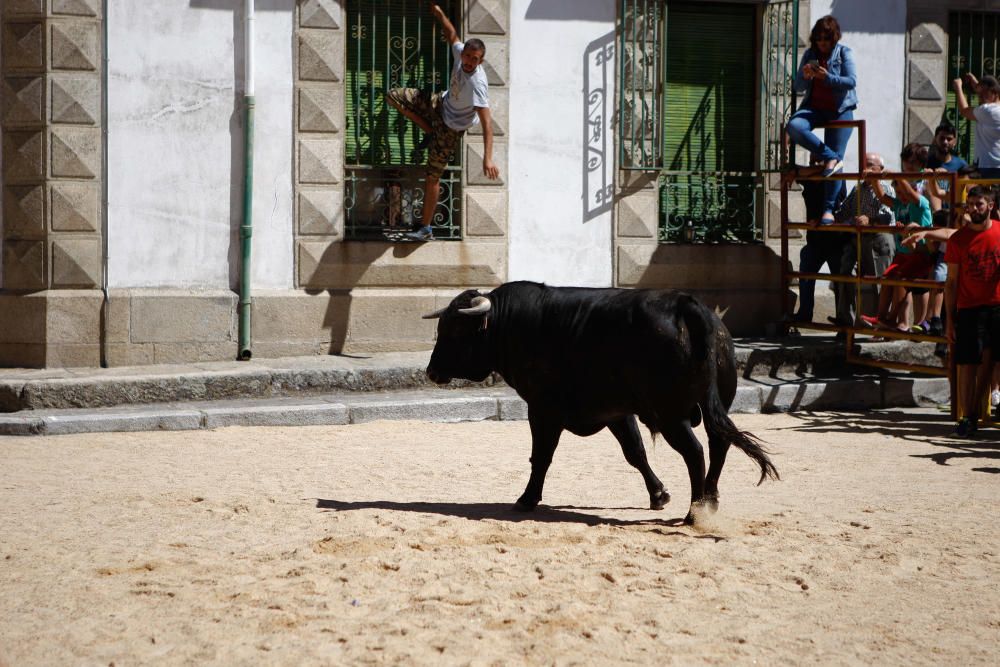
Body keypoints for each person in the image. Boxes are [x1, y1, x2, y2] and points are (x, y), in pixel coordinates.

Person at [386, 3, 499, 241]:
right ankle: (429, 130)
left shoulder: (479, 85)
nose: (468, 62)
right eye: (467, 56)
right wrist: (439, 13)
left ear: (481, 61)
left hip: (451, 129)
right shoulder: (460, 51)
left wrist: (487, 158)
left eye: (474, 59)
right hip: (440, 104)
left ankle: (425, 228)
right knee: (393, 96)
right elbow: (451, 34)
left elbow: (487, 125)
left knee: (432, 176)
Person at [788, 15, 857, 224]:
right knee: (794, 126)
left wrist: (826, 77)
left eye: (826, 40)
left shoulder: (844, 52)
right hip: (815, 108)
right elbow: (798, 87)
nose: (822, 44)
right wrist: (805, 75)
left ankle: (828, 210)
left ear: (833, 38)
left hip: (840, 110)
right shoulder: (810, 54)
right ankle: (830, 155)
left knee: (834, 168)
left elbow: (851, 81)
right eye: (818, 39)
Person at [942, 186, 1000, 436]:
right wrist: (949, 320)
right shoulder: (958, 239)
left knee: (989, 363)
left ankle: (975, 412)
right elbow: (951, 282)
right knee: (966, 364)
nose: (975, 209)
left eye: (980, 204)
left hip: (997, 306)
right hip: (968, 308)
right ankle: (967, 416)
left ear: (991, 205)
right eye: (971, 204)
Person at [833, 153, 896, 327]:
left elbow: (887, 215)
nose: (865, 169)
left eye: (869, 165)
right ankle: (845, 320)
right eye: (863, 165)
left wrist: (870, 220)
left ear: (880, 169)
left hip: (879, 237)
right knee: (846, 272)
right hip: (858, 238)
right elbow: (844, 211)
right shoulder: (858, 188)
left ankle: (882, 323)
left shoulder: (885, 188)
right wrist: (829, 219)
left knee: (880, 281)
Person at [787, 158, 847, 325]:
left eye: (819, 158)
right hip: (815, 239)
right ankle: (805, 313)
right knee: (806, 272)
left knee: (840, 280)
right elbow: (792, 169)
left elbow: (840, 204)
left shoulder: (837, 178)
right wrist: (819, 168)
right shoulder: (812, 179)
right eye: (813, 159)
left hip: (836, 239)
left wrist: (817, 170)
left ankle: (843, 320)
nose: (815, 162)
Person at [953, 73, 1000, 179]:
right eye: (979, 94)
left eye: (984, 93)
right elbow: (986, 96)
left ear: (995, 93)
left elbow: (964, 111)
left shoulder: (988, 110)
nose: (980, 97)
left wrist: (958, 88)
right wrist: (976, 83)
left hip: (988, 166)